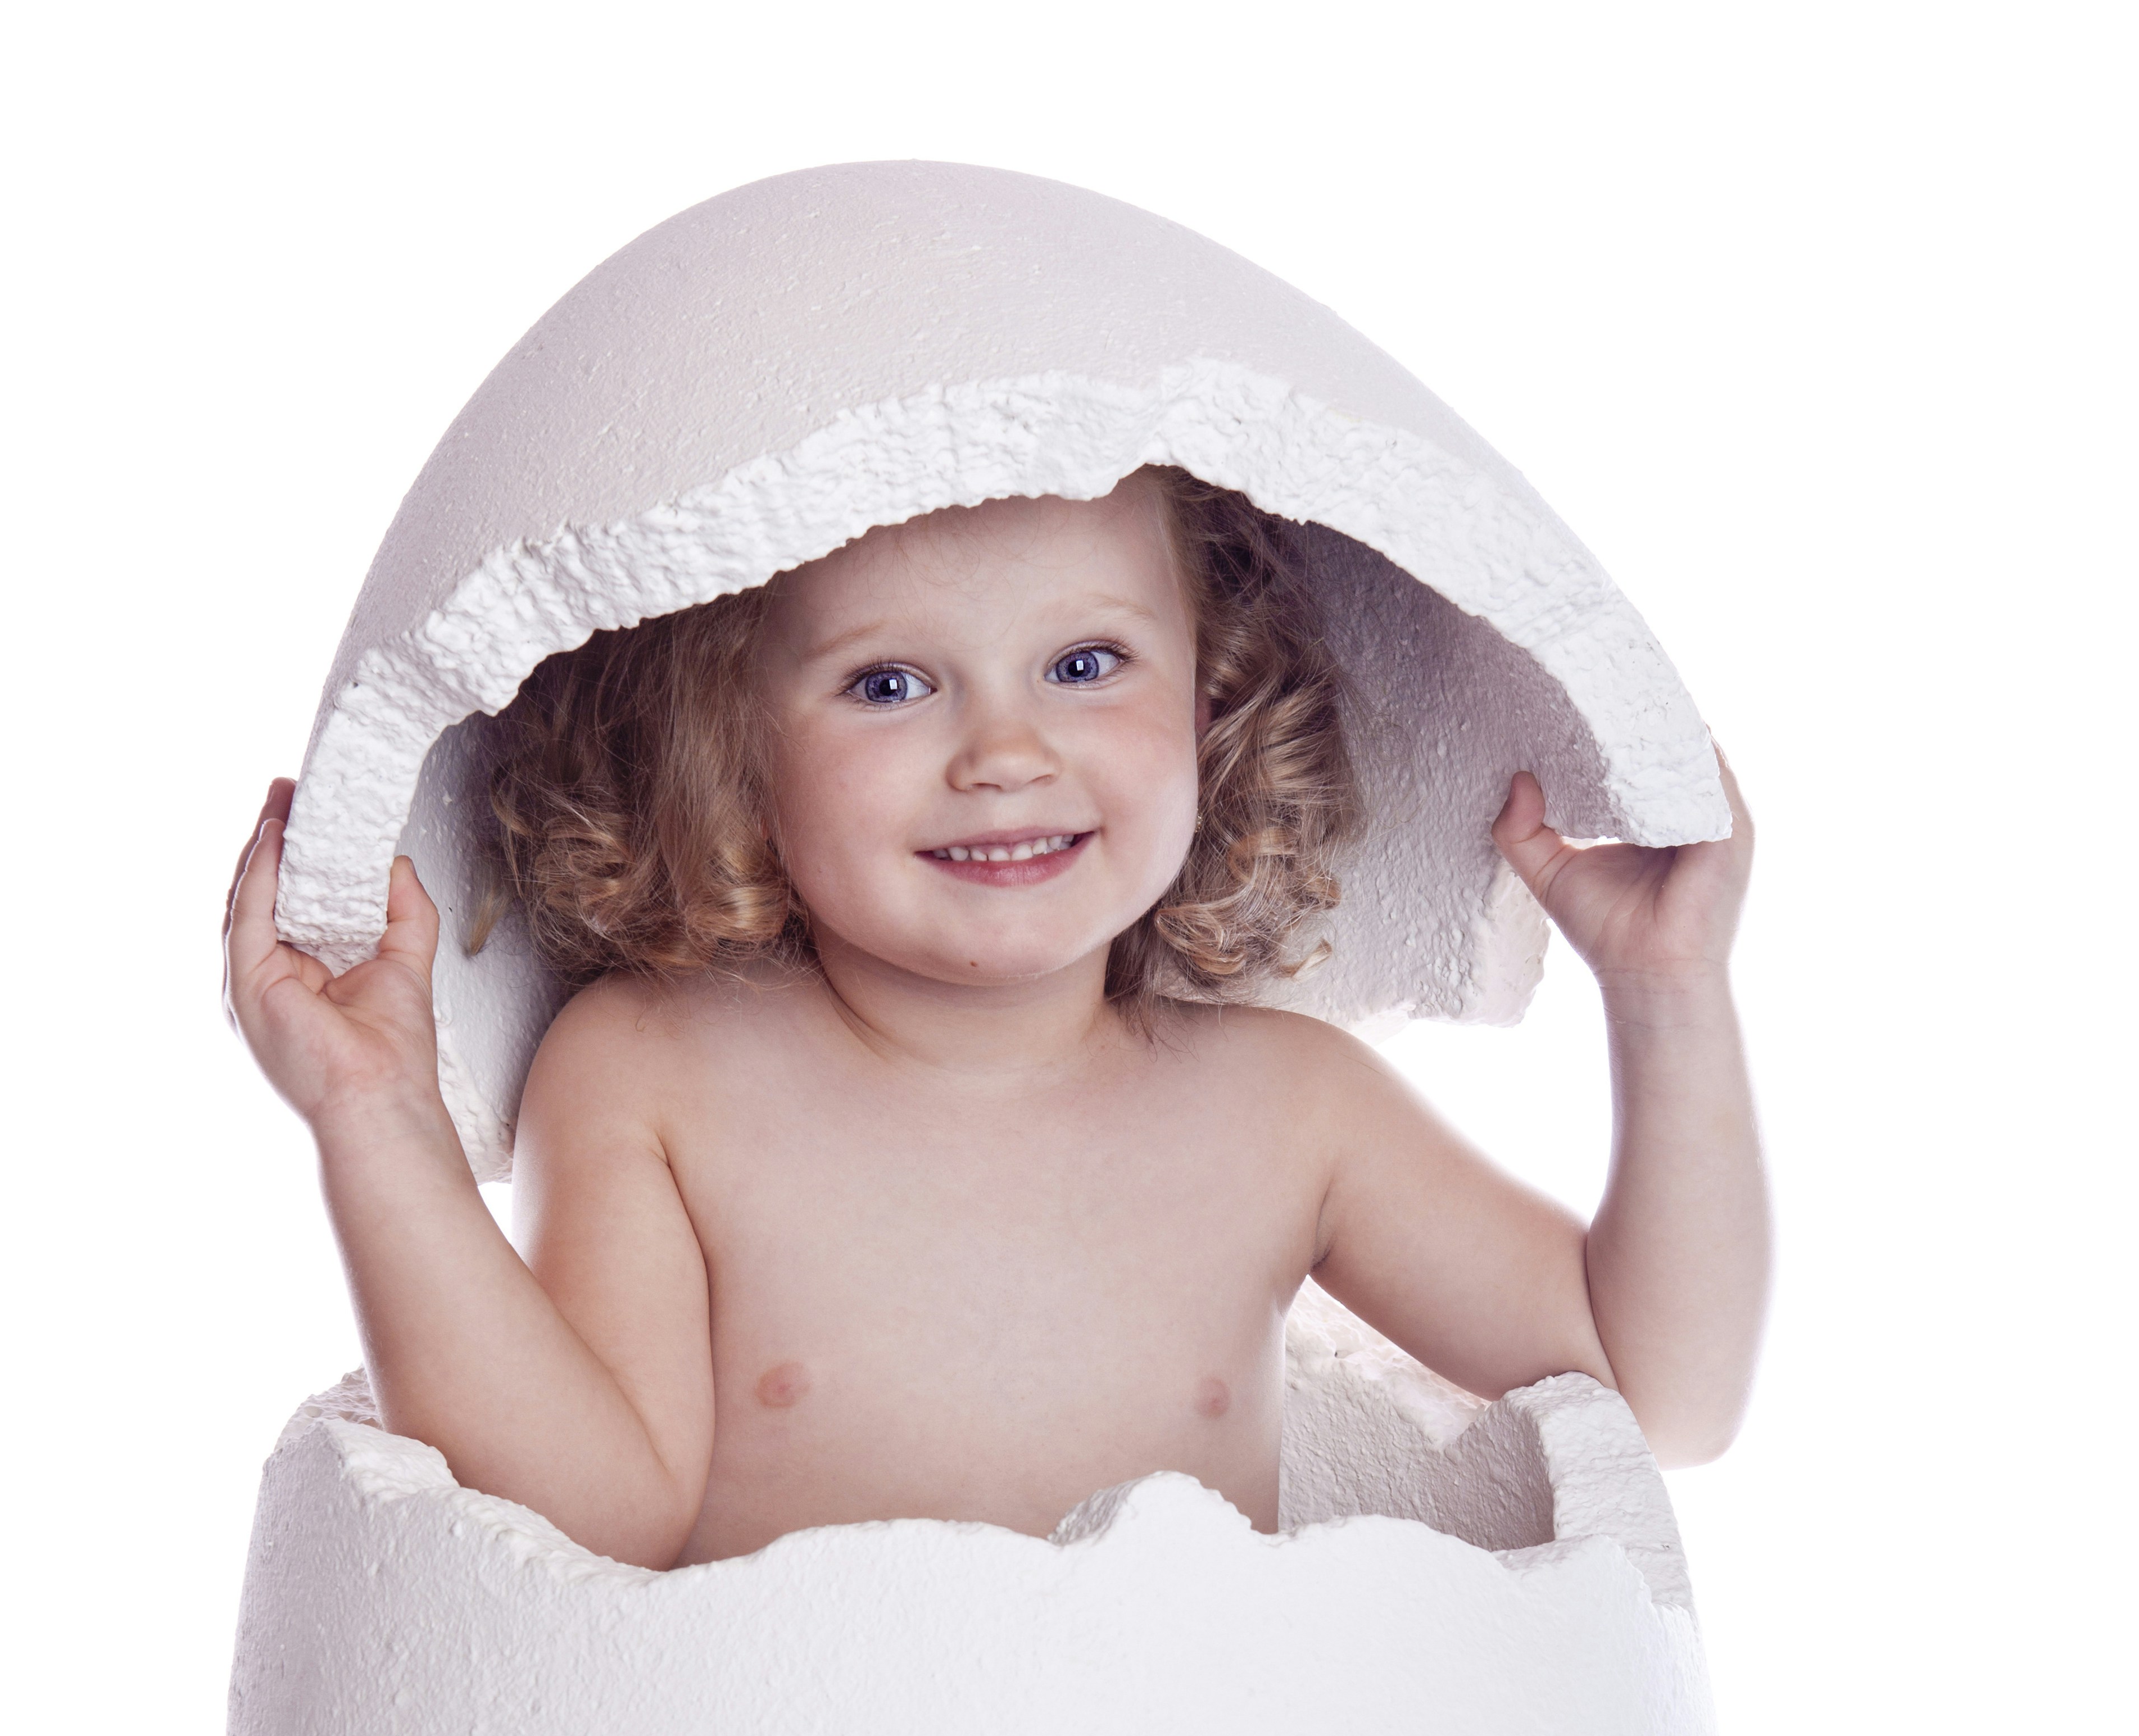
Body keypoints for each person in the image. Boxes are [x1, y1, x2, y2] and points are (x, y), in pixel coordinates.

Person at [224, 466, 1766, 1570]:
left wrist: (1670, 994)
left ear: (1213, 699)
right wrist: (378, 1124)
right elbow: (587, 1515)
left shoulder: (1291, 1114)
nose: (1005, 752)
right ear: (731, 745)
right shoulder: (653, 1075)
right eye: (890, 685)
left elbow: (1665, 1390)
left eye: (1086, 664)